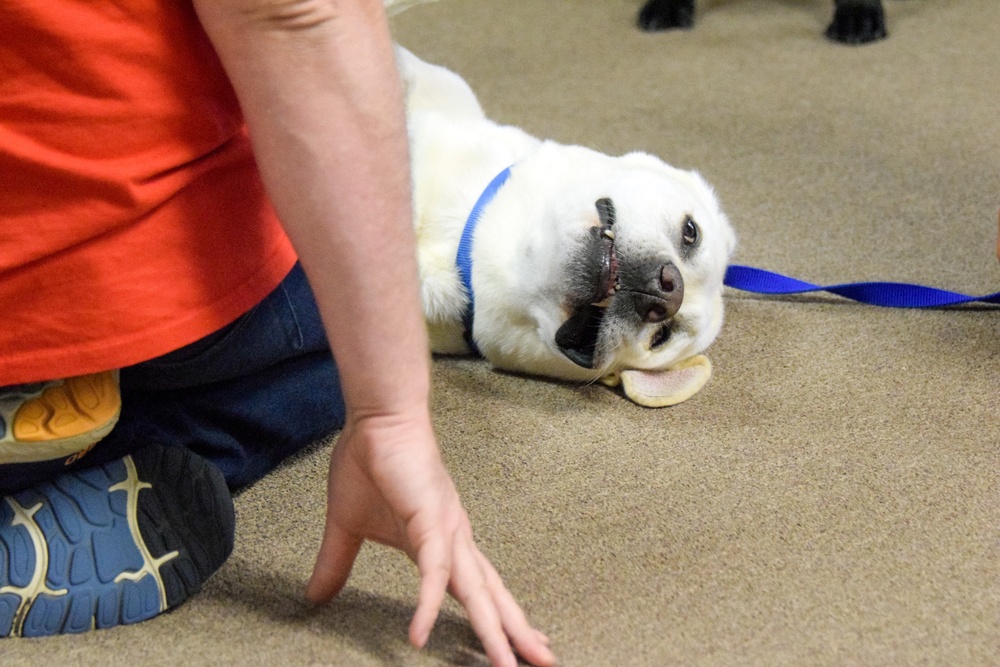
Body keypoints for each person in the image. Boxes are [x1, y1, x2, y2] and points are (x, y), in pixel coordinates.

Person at [0, 1, 556, 666]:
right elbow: (294, 16)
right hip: (83, 270)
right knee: (341, 325)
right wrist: (391, 413)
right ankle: (93, 433)